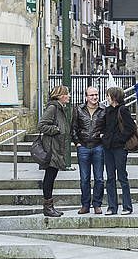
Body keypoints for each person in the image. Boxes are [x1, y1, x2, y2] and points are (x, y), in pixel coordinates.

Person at [96, 86, 135, 215]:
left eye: (108, 95)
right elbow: (102, 126)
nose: (107, 98)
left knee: (122, 176)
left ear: (114, 97)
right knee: (110, 177)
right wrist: (103, 136)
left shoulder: (123, 110)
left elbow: (130, 128)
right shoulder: (106, 110)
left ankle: (127, 206)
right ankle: (112, 206)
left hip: (119, 147)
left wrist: (119, 139)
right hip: (108, 147)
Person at [71, 86, 105, 215]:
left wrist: (103, 139)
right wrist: (77, 143)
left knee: (99, 178)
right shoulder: (79, 109)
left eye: (96, 94)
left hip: (98, 146)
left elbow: (106, 126)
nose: (94, 97)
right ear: (86, 97)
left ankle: (97, 204)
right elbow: (73, 127)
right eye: (91, 95)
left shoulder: (103, 110)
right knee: (84, 178)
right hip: (83, 146)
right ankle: (85, 204)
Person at [38, 85, 71, 217]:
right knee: (49, 177)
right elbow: (41, 125)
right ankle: (47, 207)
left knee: (51, 176)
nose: (69, 96)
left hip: (57, 148)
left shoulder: (60, 108)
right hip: (52, 149)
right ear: (61, 95)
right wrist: (56, 130)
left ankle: (50, 206)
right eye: (67, 94)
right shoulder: (53, 108)